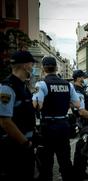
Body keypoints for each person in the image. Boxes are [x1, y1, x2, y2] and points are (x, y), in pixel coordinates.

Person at [32, 56, 80, 181]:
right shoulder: (68, 84)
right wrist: (63, 103)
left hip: (48, 126)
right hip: (63, 124)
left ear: (43, 69)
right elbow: (77, 104)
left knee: (46, 162)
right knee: (65, 160)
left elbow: (37, 105)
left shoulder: (42, 84)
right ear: (56, 68)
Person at [0, 50, 36, 180]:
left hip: (25, 144)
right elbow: (5, 121)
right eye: (32, 65)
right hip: (15, 147)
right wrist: (25, 143)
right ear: (26, 66)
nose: (33, 68)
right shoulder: (7, 87)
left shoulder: (22, 86)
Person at [71, 70, 88, 180]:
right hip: (82, 121)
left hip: (86, 120)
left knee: (83, 146)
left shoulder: (81, 89)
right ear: (78, 78)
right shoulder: (77, 90)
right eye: (83, 77)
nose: (86, 79)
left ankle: (80, 170)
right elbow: (80, 111)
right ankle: (78, 170)